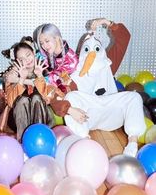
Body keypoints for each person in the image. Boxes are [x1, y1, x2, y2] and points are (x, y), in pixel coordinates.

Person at [50, 19, 146, 157]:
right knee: (70, 97)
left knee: (134, 97)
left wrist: (107, 23)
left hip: (112, 113)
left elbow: (124, 38)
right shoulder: (73, 73)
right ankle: (83, 139)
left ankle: (132, 142)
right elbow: (55, 96)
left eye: (96, 49)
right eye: (87, 49)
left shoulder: (108, 64)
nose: (92, 54)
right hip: (86, 117)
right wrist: (69, 109)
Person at [2, 38, 62, 141]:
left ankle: (41, 138)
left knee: (37, 97)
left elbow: (48, 98)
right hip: (20, 122)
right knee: (23, 100)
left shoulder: (44, 69)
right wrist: (20, 80)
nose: (26, 60)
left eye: (28, 55)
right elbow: (11, 102)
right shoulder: (13, 74)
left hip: (43, 118)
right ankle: (22, 141)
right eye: (21, 59)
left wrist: (39, 77)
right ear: (17, 61)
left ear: (34, 52)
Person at [33, 23, 79, 87]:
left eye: (47, 41)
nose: (44, 46)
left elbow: (53, 83)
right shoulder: (44, 53)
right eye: (41, 43)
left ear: (57, 38)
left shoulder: (71, 60)